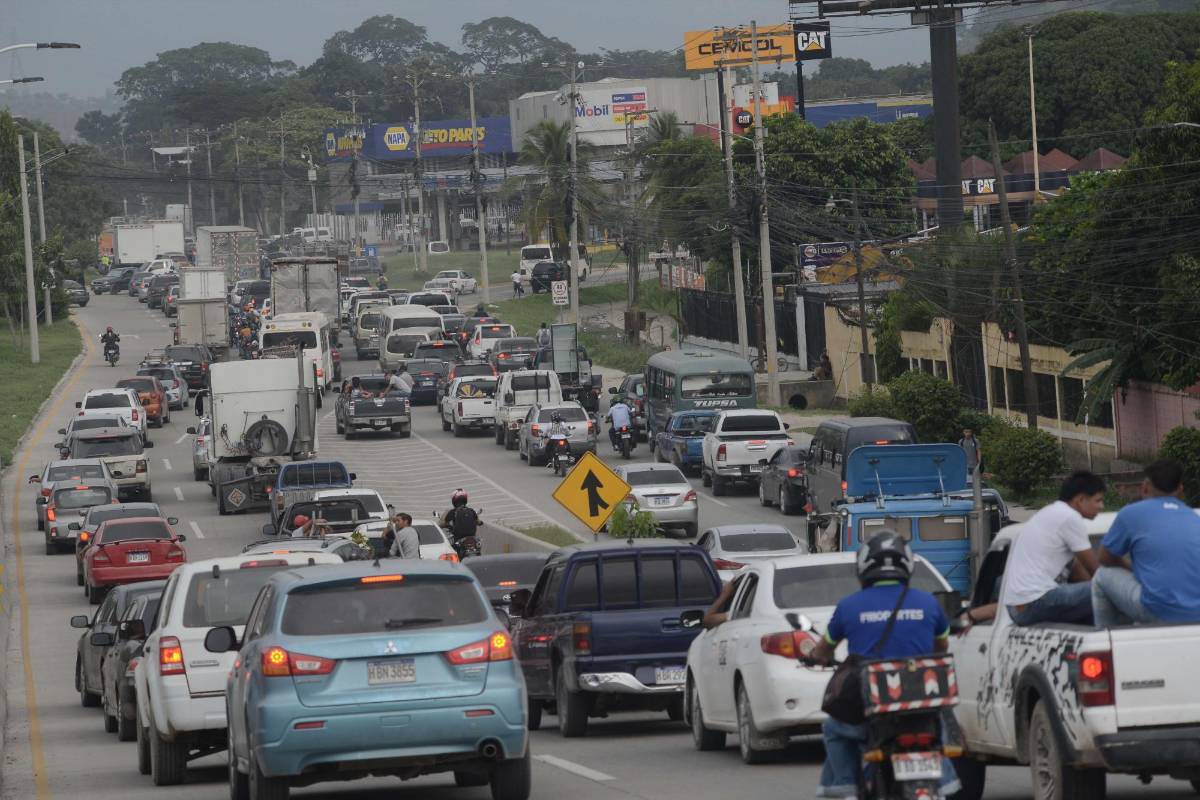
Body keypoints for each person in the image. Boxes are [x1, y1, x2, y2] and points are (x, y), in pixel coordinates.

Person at [806, 531, 958, 800]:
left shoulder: (849, 606)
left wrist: (815, 656)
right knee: (939, 726)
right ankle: (945, 785)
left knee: (834, 729)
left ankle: (844, 789)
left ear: (864, 566)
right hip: (921, 703)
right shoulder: (929, 603)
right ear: (907, 564)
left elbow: (823, 650)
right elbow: (941, 648)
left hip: (870, 706)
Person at [1092, 459, 1200, 627]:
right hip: (1196, 615)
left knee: (1101, 576)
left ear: (1145, 487)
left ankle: (1104, 634)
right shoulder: (1194, 518)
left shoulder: (1131, 513)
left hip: (1158, 611)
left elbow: (1104, 558)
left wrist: (1131, 568)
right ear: (1181, 490)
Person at [1002, 471, 1105, 626]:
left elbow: (1078, 569)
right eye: (1098, 500)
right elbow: (1096, 570)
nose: (1101, 506)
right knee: (1108, 589)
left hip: (1018, 607)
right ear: (1081, 500)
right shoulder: (1069, 517)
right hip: (1035, 601)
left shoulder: (1050, 512)